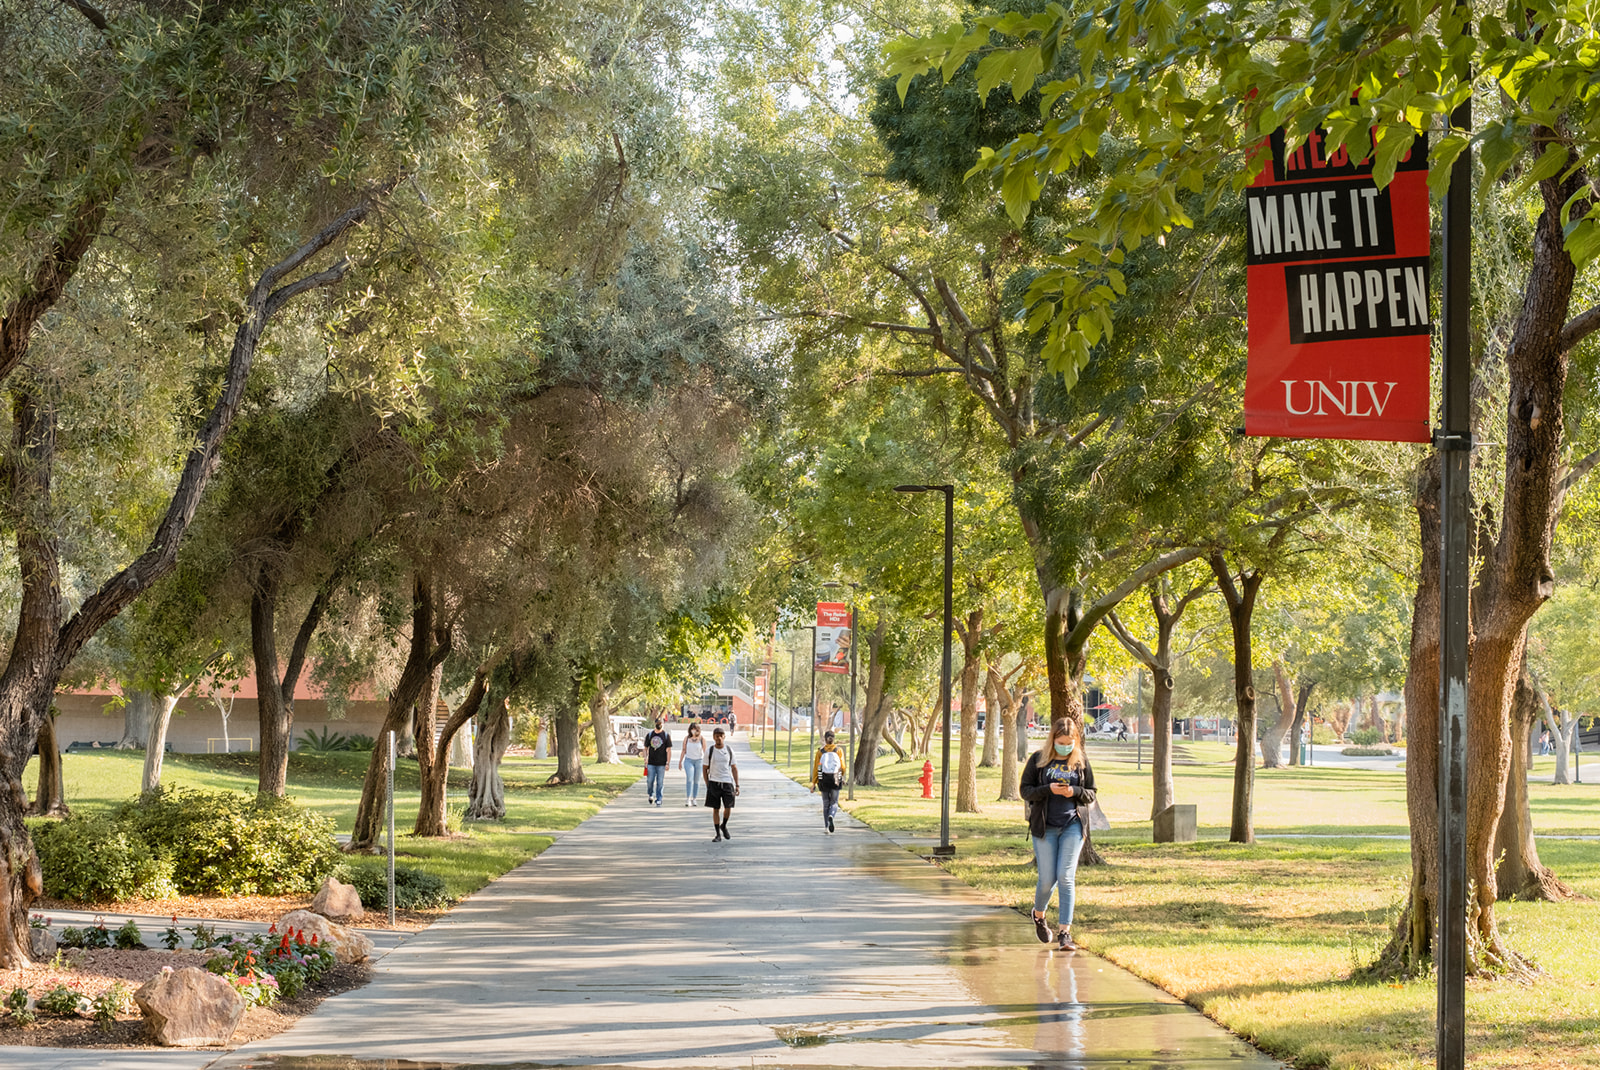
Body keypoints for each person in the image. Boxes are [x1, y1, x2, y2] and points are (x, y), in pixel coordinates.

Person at [1020, 718, 1096, 951]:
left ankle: (1065, 933)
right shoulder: (1038, 760)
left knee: (1065, 877)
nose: (1065, 746)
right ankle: (1039, 914)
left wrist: (1074, 791)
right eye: (1061, 742)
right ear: (1052, 740)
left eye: (1070, 742)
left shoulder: (1081, 762)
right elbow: (1025, 790)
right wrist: (1047, 790)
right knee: (1046, 880)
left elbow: (1091, 793)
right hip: (1045, 827)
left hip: (1072, 825)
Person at [705, 726, 740, 841]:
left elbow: (734, 768)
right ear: (714, 737)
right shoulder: (710, 751)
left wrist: (737, 784)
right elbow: (705, 768)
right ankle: (717, 834)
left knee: (728, 807)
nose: (719, 738)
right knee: (715, 809)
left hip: (727, 782)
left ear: (724, 737)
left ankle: (723, 825)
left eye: (721, 735)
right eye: (717, 736)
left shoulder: (729, 750)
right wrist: (707, 784)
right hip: (714, 782)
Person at [810, 730, 845, 833]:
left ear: (825, 739)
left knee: (826, 803)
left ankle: (826, 827)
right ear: (834, 739)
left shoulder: (820, 752)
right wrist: (841, 777)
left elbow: (816, 768)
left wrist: (814, 783)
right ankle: (831, 815)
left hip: (823, 780)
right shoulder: (838, 750)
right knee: (834, 802)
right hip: (835, 779)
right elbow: (842, 766)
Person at [643, 718, 672, 806]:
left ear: (663, 724)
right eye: (658, 723)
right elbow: (645, 748)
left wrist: (667, 763)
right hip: (651, 762)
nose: (659, 725)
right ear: (655, 724)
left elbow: (669, 750)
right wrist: (645, 758)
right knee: (649, 781)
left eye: (661, 723)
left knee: (660, 782)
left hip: (661, 763)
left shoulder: (666, 736)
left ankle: (659, 798)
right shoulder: (650, 735)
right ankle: (651, 794)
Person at [679, 722, 706, 806]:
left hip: (699, 761)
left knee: (697, 781)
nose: (694, 731)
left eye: (695, 729)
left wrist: (707, 763)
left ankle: (694, 798)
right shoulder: (687, 738)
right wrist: (680, 761)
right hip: (689, 760)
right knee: (689, 778)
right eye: (692, 729)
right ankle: (688, 798)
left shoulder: (701, 739)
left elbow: (705, 751)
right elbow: (684, 750)